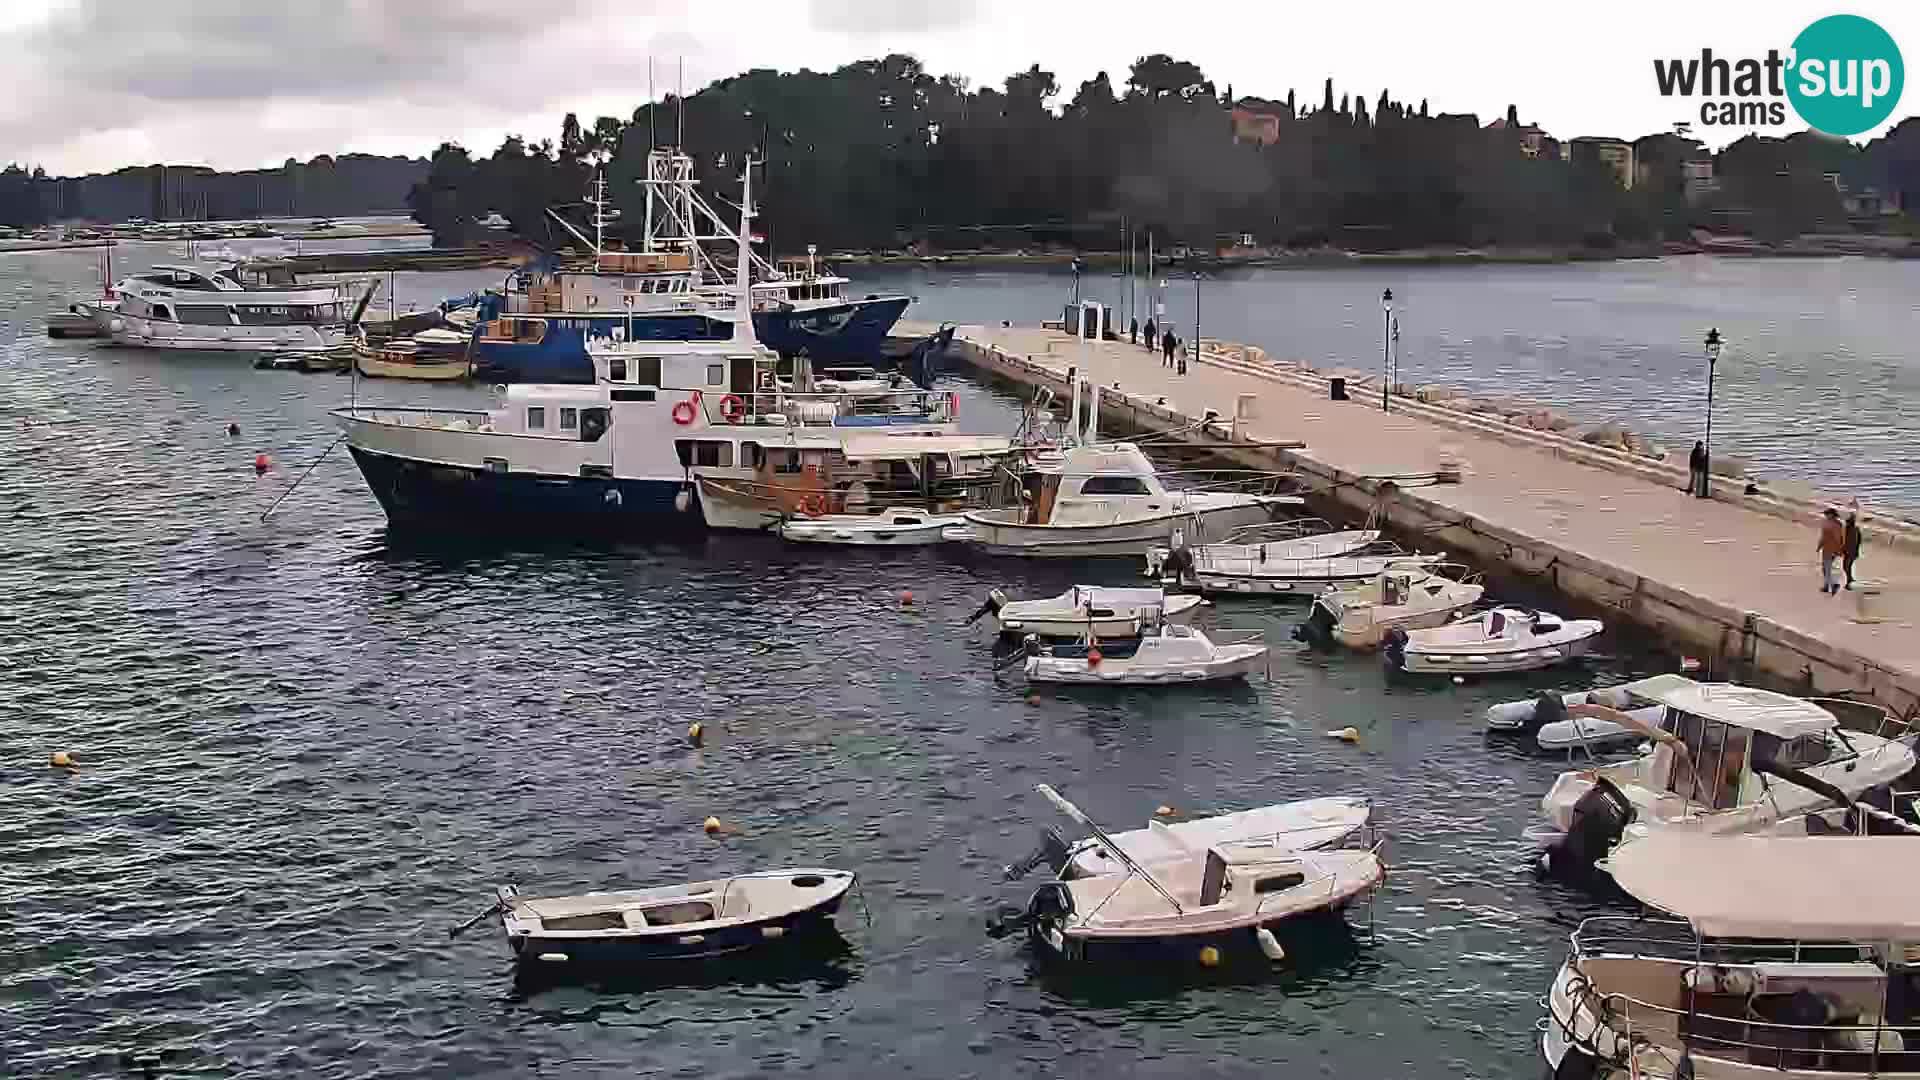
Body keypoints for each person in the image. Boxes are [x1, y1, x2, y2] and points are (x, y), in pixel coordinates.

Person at [1817, 508, 1846, 594]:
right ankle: (1827, 586)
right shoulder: (1832, 523)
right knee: (1826, 568)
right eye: (1825, 514)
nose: (1825, 516)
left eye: (1827, 514)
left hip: (1831, 549)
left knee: (1826, 568)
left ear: (1832, 515)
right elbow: (1824, 537)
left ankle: (1833, 585)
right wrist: (1819, 546)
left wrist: (1839, 550)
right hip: (1827, 548)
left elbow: (1838, 538)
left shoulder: (1834, 524)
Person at [1844, 509, 1864, 589]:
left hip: (1849, 552)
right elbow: (1859, 541)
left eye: (1847, 522)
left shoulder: (1848, 530)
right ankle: (1850, 579)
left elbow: (1858, 541)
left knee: (1846, 567)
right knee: (1847, 567)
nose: (1846, 523)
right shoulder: (1855, 529)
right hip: (1851, 552)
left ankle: (1848, 582)